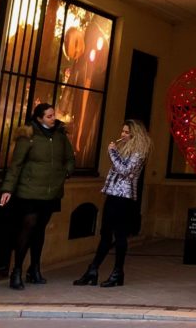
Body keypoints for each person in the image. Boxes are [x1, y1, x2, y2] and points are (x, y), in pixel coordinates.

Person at [0, 103, 75, 290]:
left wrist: (65, 172)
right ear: (39, 118)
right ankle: (16, 270)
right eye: (49, 116)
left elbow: (69, 158)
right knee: (28, 227)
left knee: (40, 229)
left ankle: (34, 269)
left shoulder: (60, 136)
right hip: (30, 190)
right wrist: (7, 189)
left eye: (53, 115)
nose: (53, 118)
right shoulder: (29, 136)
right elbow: (16, 164)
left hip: (51, 191)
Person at [74, 120, 152, 288]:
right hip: (113, 195)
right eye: (122, 131)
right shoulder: (125, 149)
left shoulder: (138, 152)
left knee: (120, 235)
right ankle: (92, 270)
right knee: (105, 234)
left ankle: (118, 273)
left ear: (134, 134)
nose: (122, 134)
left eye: (126, 132)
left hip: (123, 199)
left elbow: (124, 170)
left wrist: (113, 153)